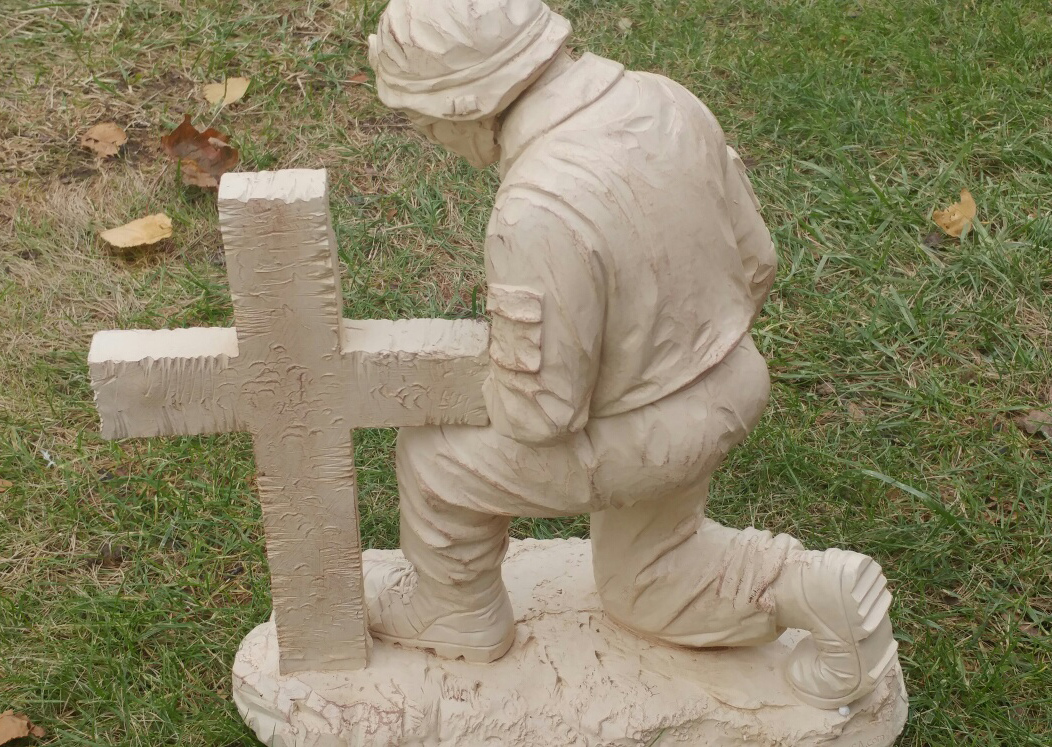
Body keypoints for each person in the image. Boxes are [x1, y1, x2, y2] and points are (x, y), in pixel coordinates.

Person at [364, 0, 896, 709]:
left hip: (645, 432)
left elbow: (542, 409)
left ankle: (456, 608)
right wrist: (672, 354)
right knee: (645, 585)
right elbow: (757, 260)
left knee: (437, 459)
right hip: (731, 379)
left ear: (466, 103)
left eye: (421, 119)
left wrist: (462, 385)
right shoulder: (664, 99)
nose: (427, 137)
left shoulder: (536, 207)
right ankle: (813, 588)